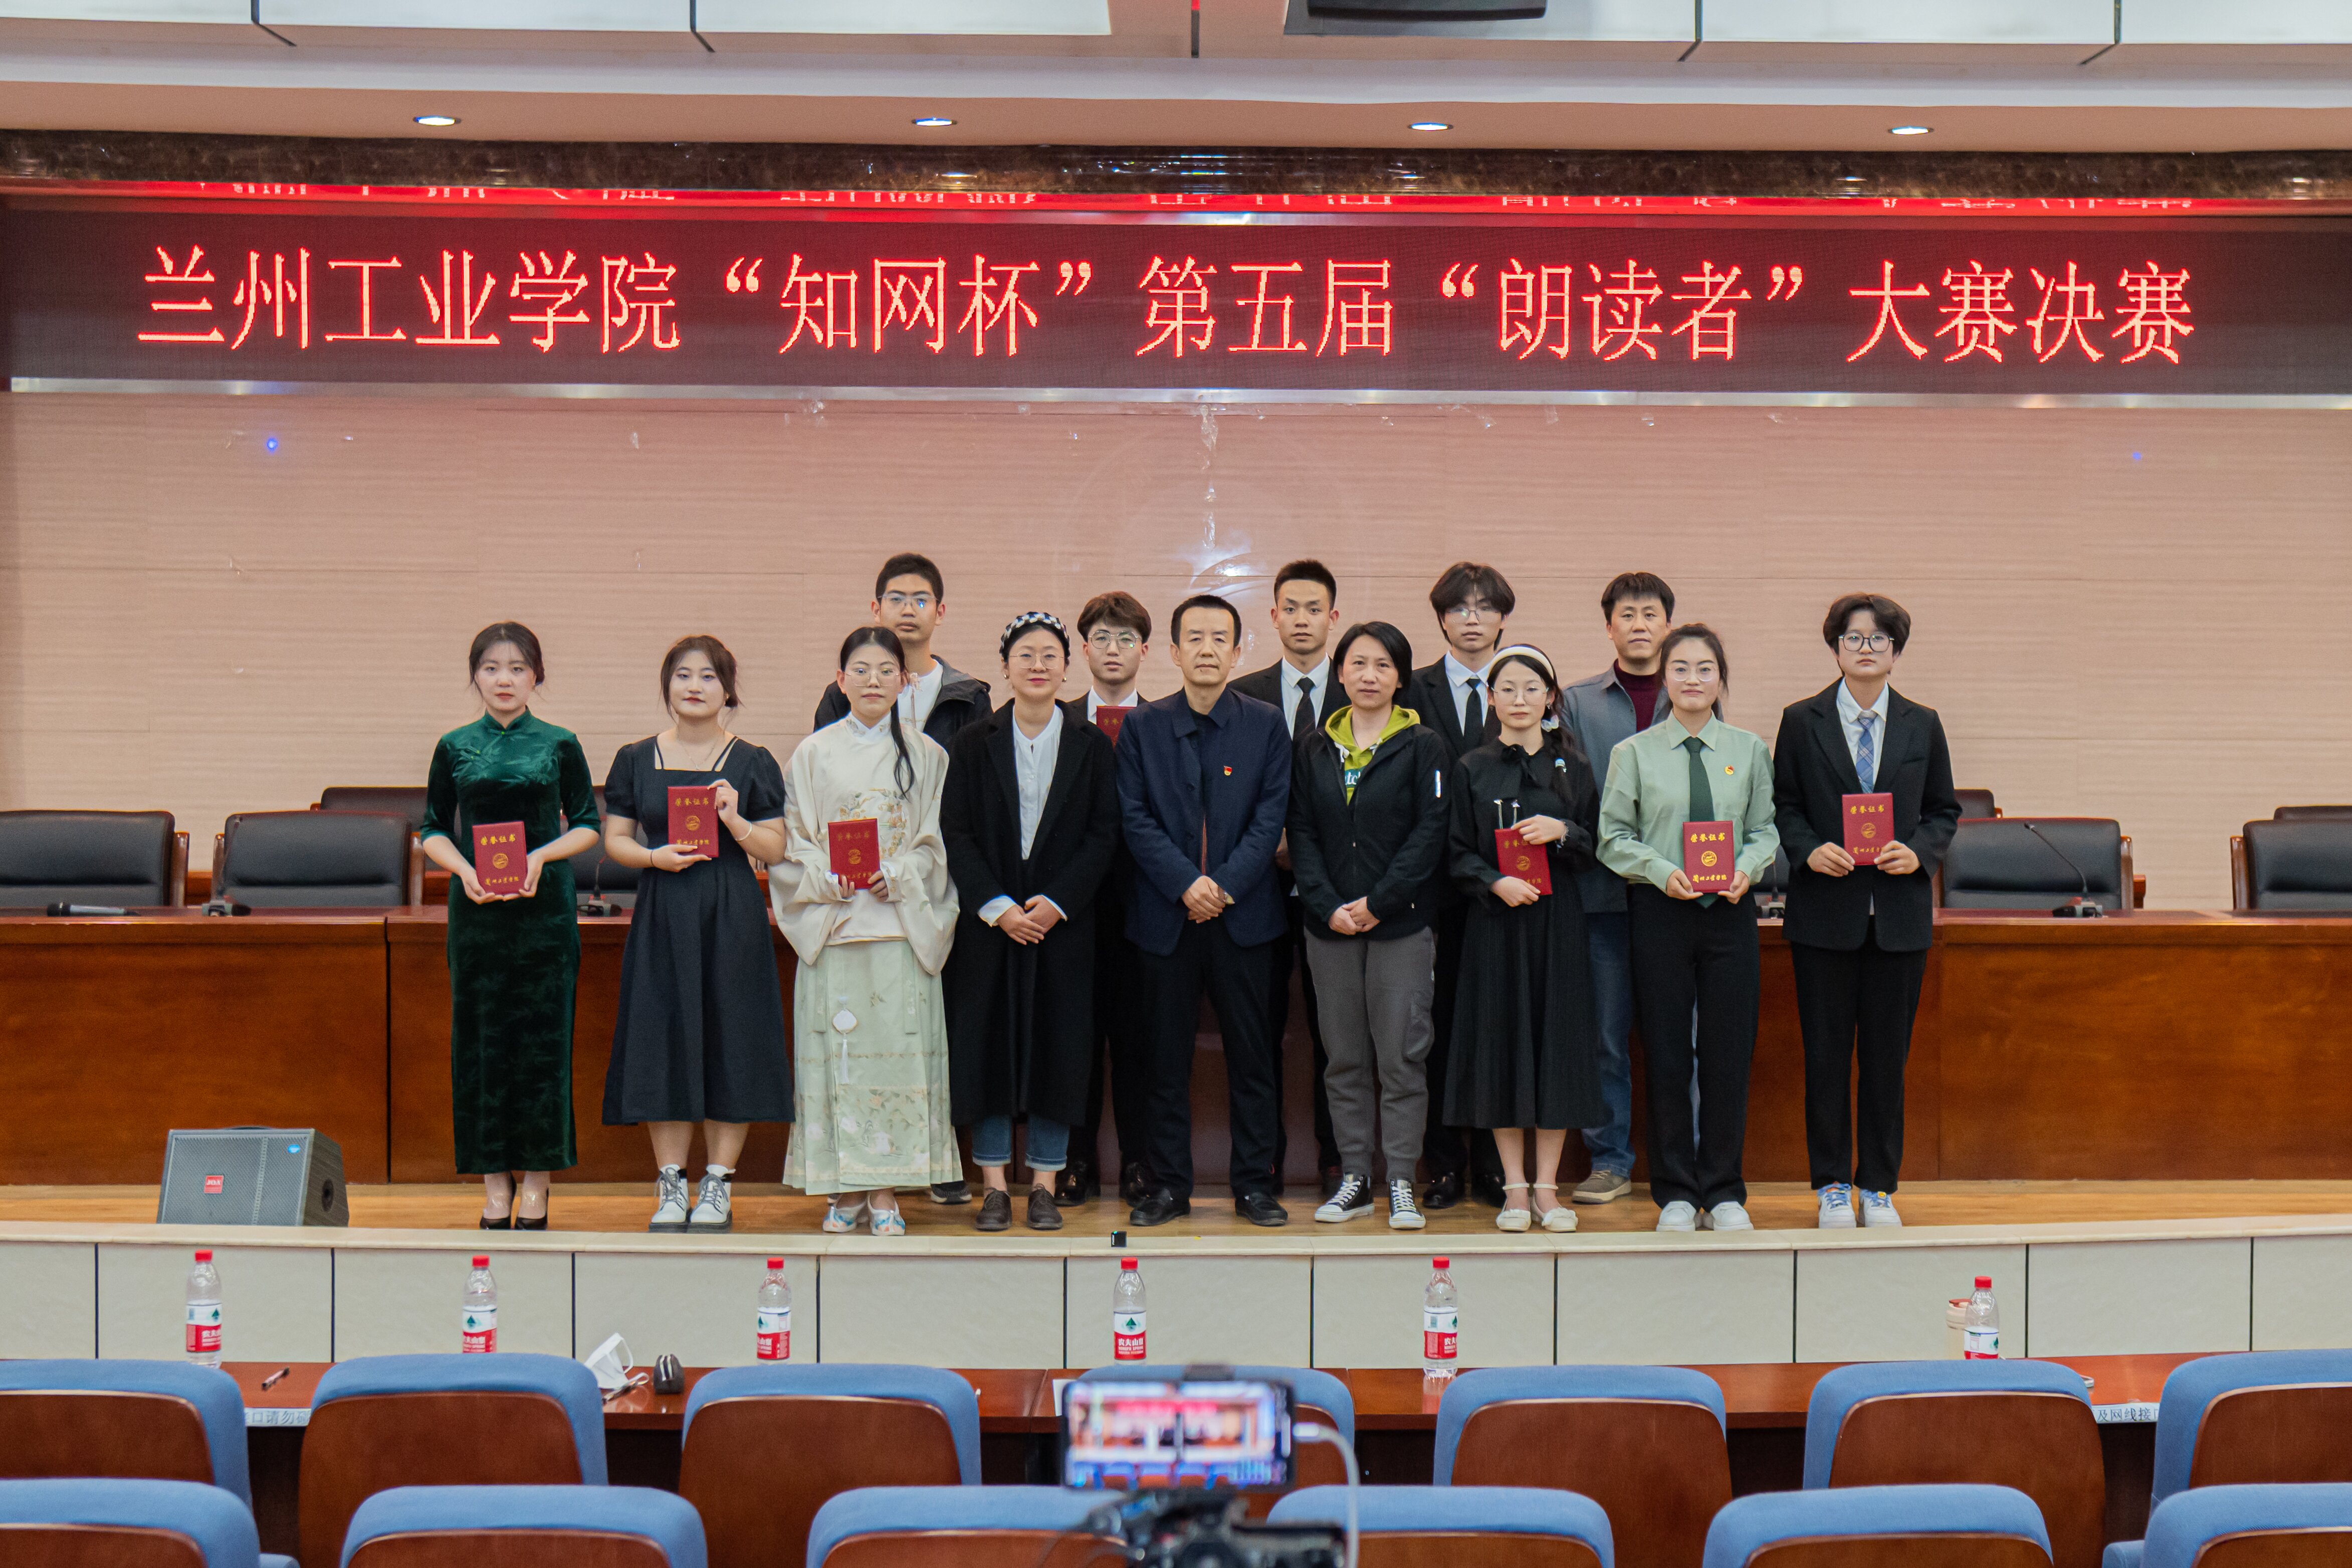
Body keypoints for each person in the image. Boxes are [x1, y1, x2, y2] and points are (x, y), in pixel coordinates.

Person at [1773, 594, 1960, 1230]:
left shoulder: (1921, 723)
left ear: (1896, 652)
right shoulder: (1801, 721)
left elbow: (1943, 810)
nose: (1865, 649)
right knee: (1825, 1059)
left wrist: (1919, 853)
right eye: (1853, 638)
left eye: (1879, 639)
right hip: (1824, 917)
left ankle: (1878, 1187)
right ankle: (1831, 1185)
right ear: (1835, 648)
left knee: (1886, 1063)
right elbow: (1784, 805)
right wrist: (1807, 849)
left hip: (1897, 918)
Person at [597, 635, 791, 1235]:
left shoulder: (752, 761)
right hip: (663, 909)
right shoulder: (635, 758)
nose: (694, 686)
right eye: (683, 675)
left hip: (731, 913)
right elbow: (616, 840)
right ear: (667, 686)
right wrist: (653, 858)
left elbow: (776, 849)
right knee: (664, 1040)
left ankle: (718, 1185)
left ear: (727, 690)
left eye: (708, 676)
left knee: (731, 1039)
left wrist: (734, 820)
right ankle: (671, 1184)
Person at [810, 551, 988, 1205]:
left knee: (934, 1030)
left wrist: (914, 872)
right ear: (876, 607)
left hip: (929, 893)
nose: (908, 610)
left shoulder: (967, 696)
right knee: (859, 1040)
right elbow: (820, 802)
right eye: (896, 598)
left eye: (920, 599)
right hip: (853, 902)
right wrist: (838, 869)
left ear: (939, 611)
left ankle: (937, 1159)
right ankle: (856, 1174)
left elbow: (964, 803)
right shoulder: (835, 705)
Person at [772, 627, 960, 1236]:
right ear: (840, 679)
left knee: (895, 1065)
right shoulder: (812, 754)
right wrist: (828, 876)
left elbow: (937, 845)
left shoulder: (929, 756)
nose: (873, 680)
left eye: (885, 670)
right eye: (860, 669)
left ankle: (883, 1191)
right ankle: (846, 1187)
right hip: (835, 928)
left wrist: (898, 874)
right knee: (841, 1062)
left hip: (900, 930)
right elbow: (794, 843)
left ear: (904, 681)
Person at [1114, 593, 1293, 1228]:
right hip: (1166, 920)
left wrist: (1221, 887)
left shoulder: (1266, 724)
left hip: (1246, 921)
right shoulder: (1143, 726)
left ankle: (1254, 1186)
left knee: (1254, 1060)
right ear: (1172, 651)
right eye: (1195, 638)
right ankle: (1168, 1186)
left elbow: (1271, 816)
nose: (1208, 649)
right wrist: (1187, 885)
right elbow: (1135, 818)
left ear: (1239, 651)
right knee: (1164, 1063)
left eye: (1220, 638)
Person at [417, 622, 602, 1231]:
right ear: (475, 675)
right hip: (477, 913)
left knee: (544, 1046)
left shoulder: (559, 743)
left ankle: (539, 1182)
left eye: (518, 668)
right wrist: (463, 869)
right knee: (481, 1046)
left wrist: (542, 857)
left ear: (536, 676)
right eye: (492, 667)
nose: (504, 679)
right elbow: (432, 827)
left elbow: (587, 824)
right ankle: (494, 1182)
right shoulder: (454, 746)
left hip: (544, 913)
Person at [941, 612, 1120, 1232]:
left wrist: (1056, 902)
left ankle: (1044, 1183)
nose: (1038, 665)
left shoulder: (1092, 744)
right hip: (988, 928)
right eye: (1025, 655)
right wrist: (997, 907)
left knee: (1058, 1051)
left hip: (1061, 927)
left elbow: (1103, 834)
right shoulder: (973, 742)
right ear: (1005, 667)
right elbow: (955, 833)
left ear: (1066, 668)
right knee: (985, 1048)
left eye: (1049, 655)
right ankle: (993, 1186)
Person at [1598, 624, 1780, 1233]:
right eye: (1680, 669)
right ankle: (1675, 1191)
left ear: (1720, 678)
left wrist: (1747, 869)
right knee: (1667, 1053)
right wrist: (1660, 871)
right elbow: (1612, 837)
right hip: (1661, 911)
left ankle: (1724, 1190)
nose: (1693, 679)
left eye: (1705, 669)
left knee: (1728, 1053)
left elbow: (1765, 830)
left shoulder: (1748, 749)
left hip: (1729, 912)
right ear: (1664, 679)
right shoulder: (1634, 753)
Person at [1287, 620, 1450, 1230]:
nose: (1369, 675)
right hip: (1329, 927)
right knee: (1344, 1060)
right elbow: (1301, 831)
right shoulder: (1314, 746)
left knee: (1402, 1057)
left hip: (1400, 926)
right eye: (1358, 663)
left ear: (1400, 677)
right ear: (1340, 672)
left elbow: (1429, 834)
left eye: (1383, 665)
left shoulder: (1424, 745)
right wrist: (1326, 903)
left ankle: (1402, 1179)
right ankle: (1354, 1177)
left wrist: (1378, 902)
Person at [1444, 645, 1604, 1234]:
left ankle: (1547, 1188)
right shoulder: (1471, 767)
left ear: (1550, 698)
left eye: (1531, 688)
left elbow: (1597, 843)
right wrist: (1494, 881)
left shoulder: (1575, 766)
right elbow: (1454, 850)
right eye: (1506, 689)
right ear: (1491, 699)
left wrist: (1562, 830)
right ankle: (1513, 1187)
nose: (1519, 699)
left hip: (1558, 926)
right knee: (1501, 1048)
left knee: (1556, 1047)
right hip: (1495, 925)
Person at [1557, 571, 1678, 1206]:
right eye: (1626, 615)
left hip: (1678, 897)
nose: (1638, 625)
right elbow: (1571, 796)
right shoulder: (1577, 702)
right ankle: (1609, 1161)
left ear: (1667, 625)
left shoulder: (1692, 691)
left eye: (1650, 614)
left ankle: (1682, 1162)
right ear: (1609, 627)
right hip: (1601, 895)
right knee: (1605, 1036)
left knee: (1677, 1035)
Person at [1231, 558, 1347, 1199]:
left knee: (1339, 1034)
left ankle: (1338, 1159)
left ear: (1333, 618)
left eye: (1314, 609)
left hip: (1339, 891)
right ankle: (1263, 1164)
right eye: (1291, 609)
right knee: (1260, 1031)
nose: (1302, 620)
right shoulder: (1241, 693)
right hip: (1257, 891)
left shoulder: (1362, 691)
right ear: (1273, 617)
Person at [1402, 561, 1515, 1211]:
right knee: (1436, 1028)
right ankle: (1442, 1165)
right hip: (1430, 891)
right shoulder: (1410, 689)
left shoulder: (1524, 687)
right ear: (1441, 619)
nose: (1472, 619)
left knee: (1498, 1026)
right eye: (1459, 608)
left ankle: (1497, 1167)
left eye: (1485, 607)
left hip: (1505, 891)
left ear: (1503, 618)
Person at [1065, 590, 1152, 1207]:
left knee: (1140, 1042)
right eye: (1101, 638)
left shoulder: (1166, 720)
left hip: (1148, 905)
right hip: (1070, 908)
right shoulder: (1057, 718)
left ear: (1145, 650)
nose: (1113, 649)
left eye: (1125, 639)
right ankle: (1075, 1163)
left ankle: (1140, 1163)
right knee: (1075, 1041)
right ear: (1083, 649)